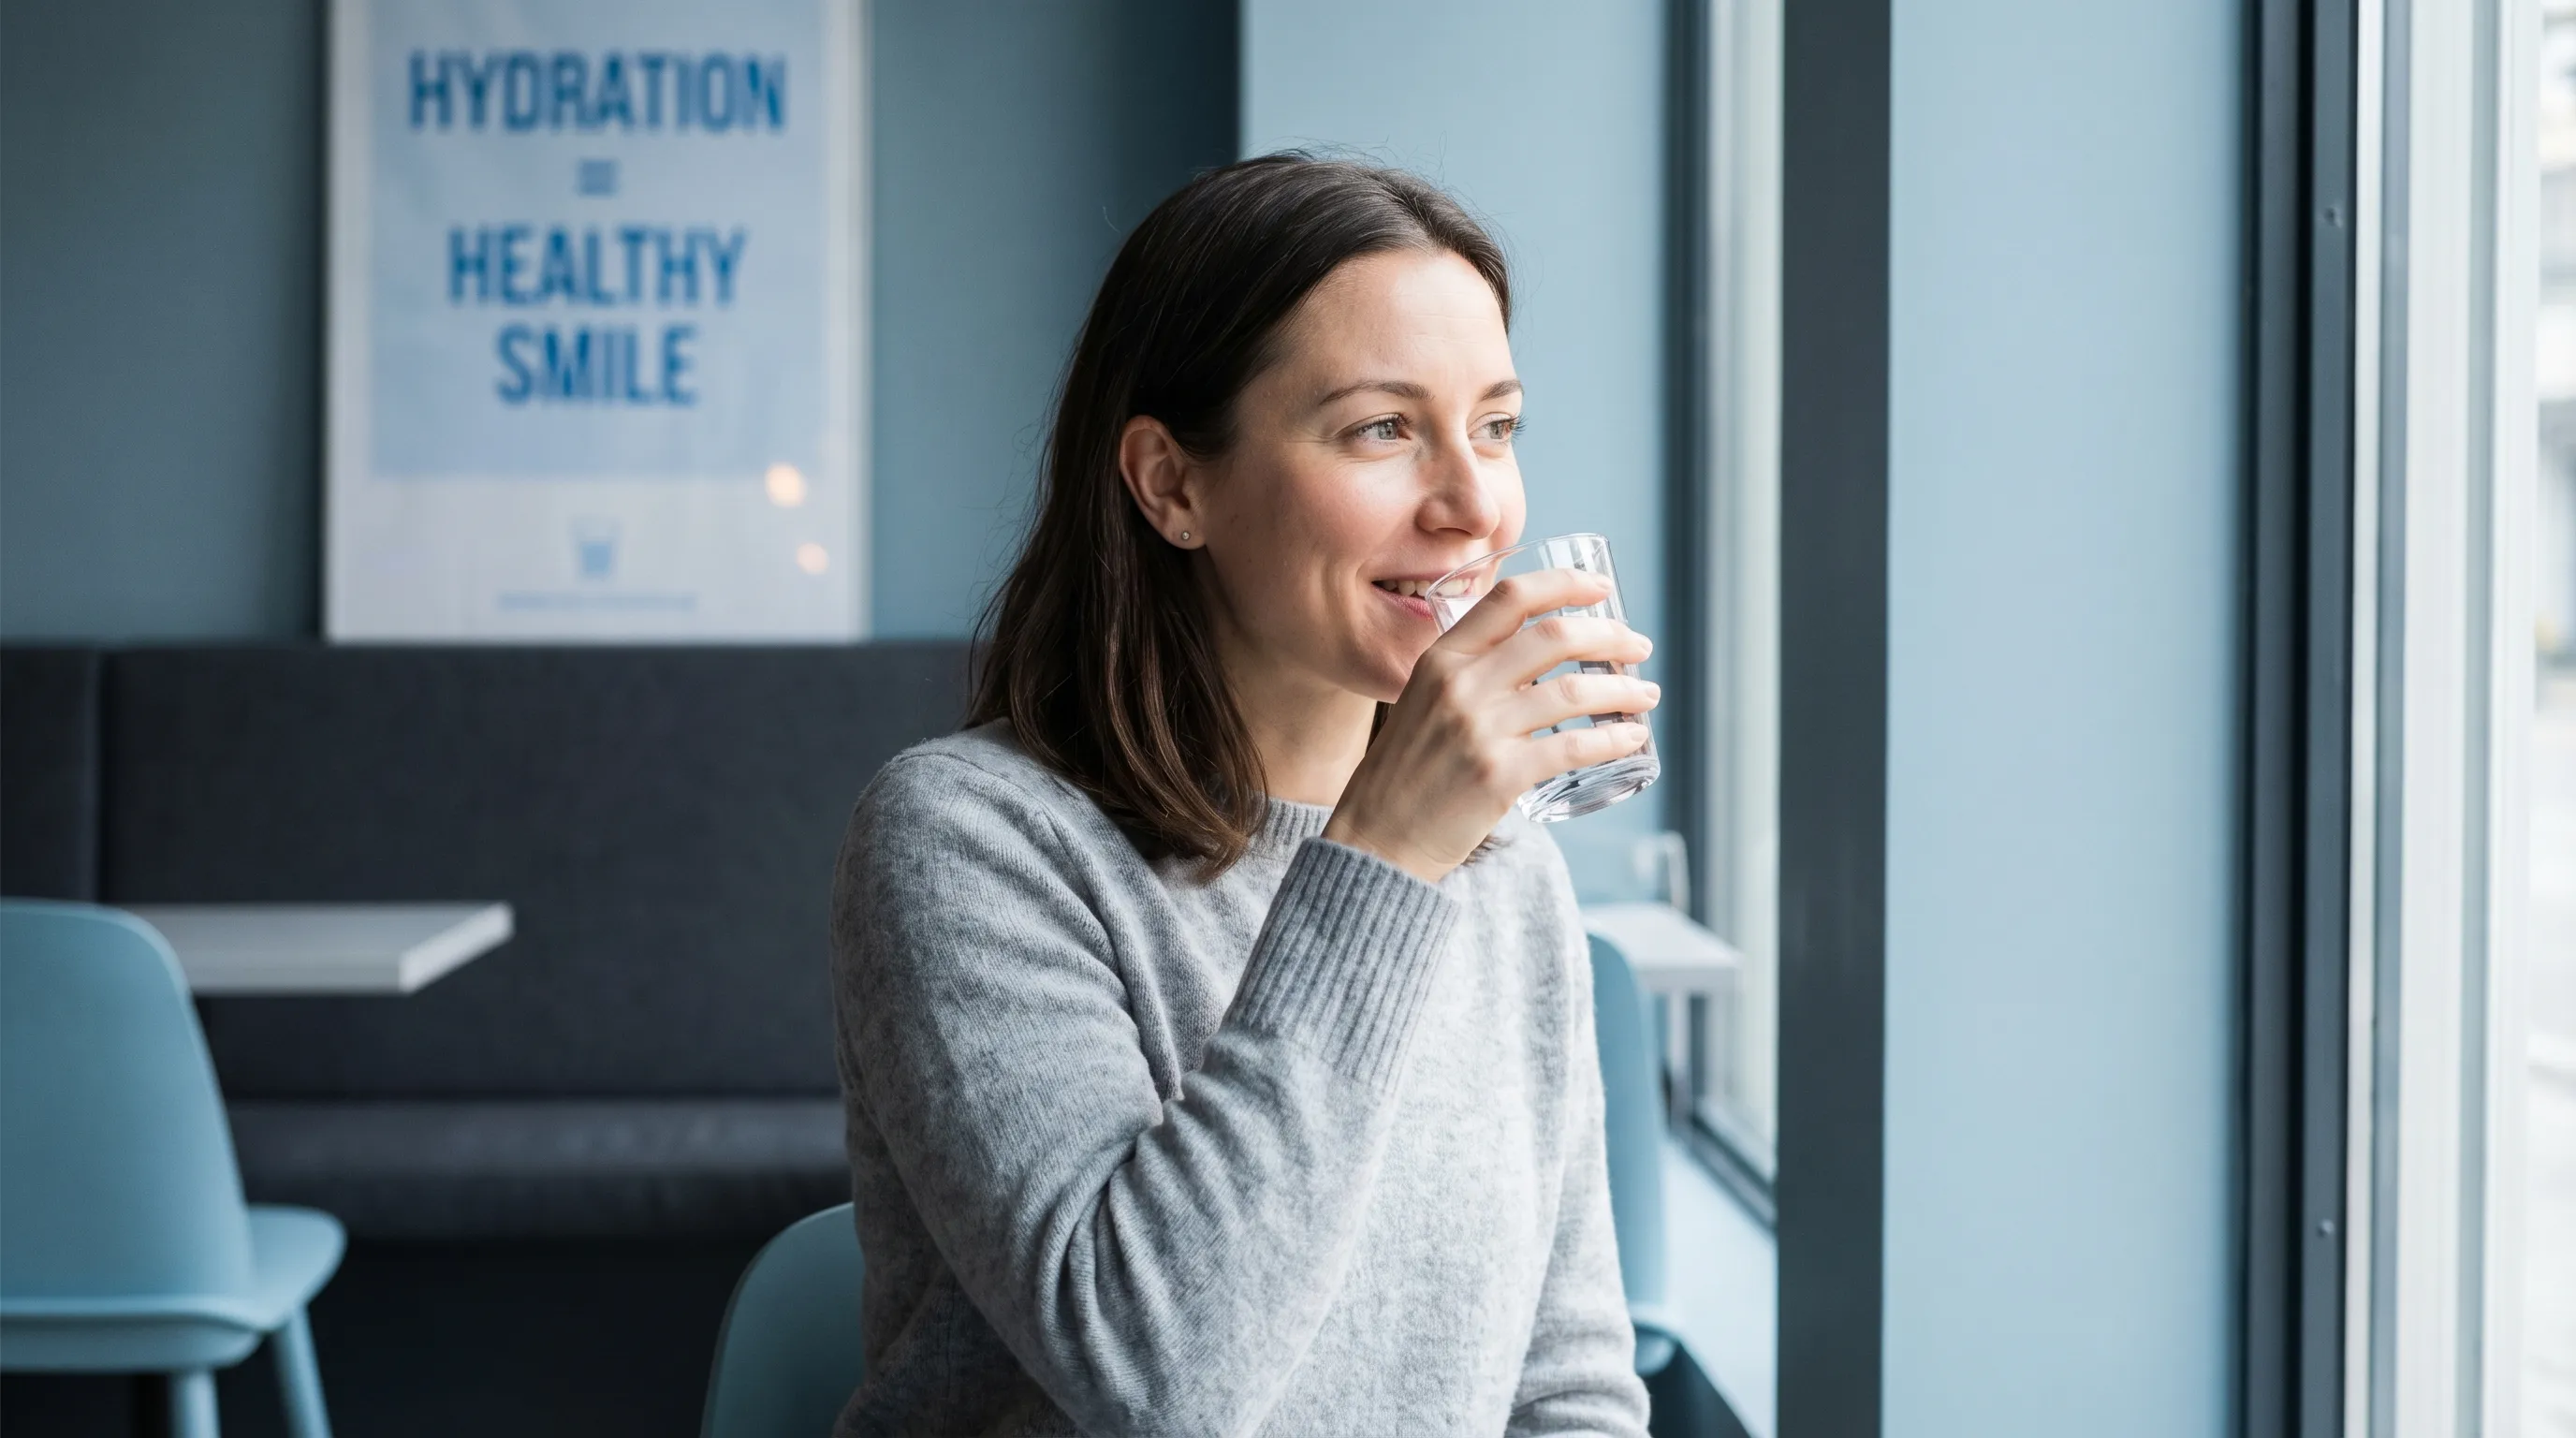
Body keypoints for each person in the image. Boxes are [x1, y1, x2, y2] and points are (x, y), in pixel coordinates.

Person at [829, 154, 1659, 1437]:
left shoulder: (1506, 869)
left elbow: (1568, 1385)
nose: (1471, 507)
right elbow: (1163, 1377)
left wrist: (1419, 846)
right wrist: (1382, 858)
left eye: (1495, 425)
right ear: (1173, 484)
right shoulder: (971, 842)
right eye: (1383, 428)